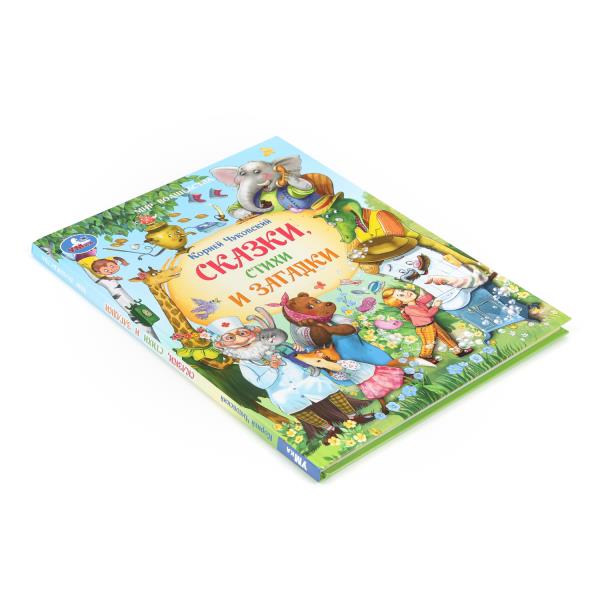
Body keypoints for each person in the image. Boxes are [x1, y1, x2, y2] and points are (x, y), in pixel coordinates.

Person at [382, 288, 472, 363]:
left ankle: (458, 351)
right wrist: (435, 306)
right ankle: (425, 357)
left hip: (431, 324)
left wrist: (424, 289)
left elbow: (428, 297)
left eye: (402, 290)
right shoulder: (409, 309)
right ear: (401, 302)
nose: (406, 292)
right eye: (401, 295)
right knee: (429, 344)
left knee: (445, 337)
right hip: (424, 328)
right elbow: (428, 314)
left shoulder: (417, 302)